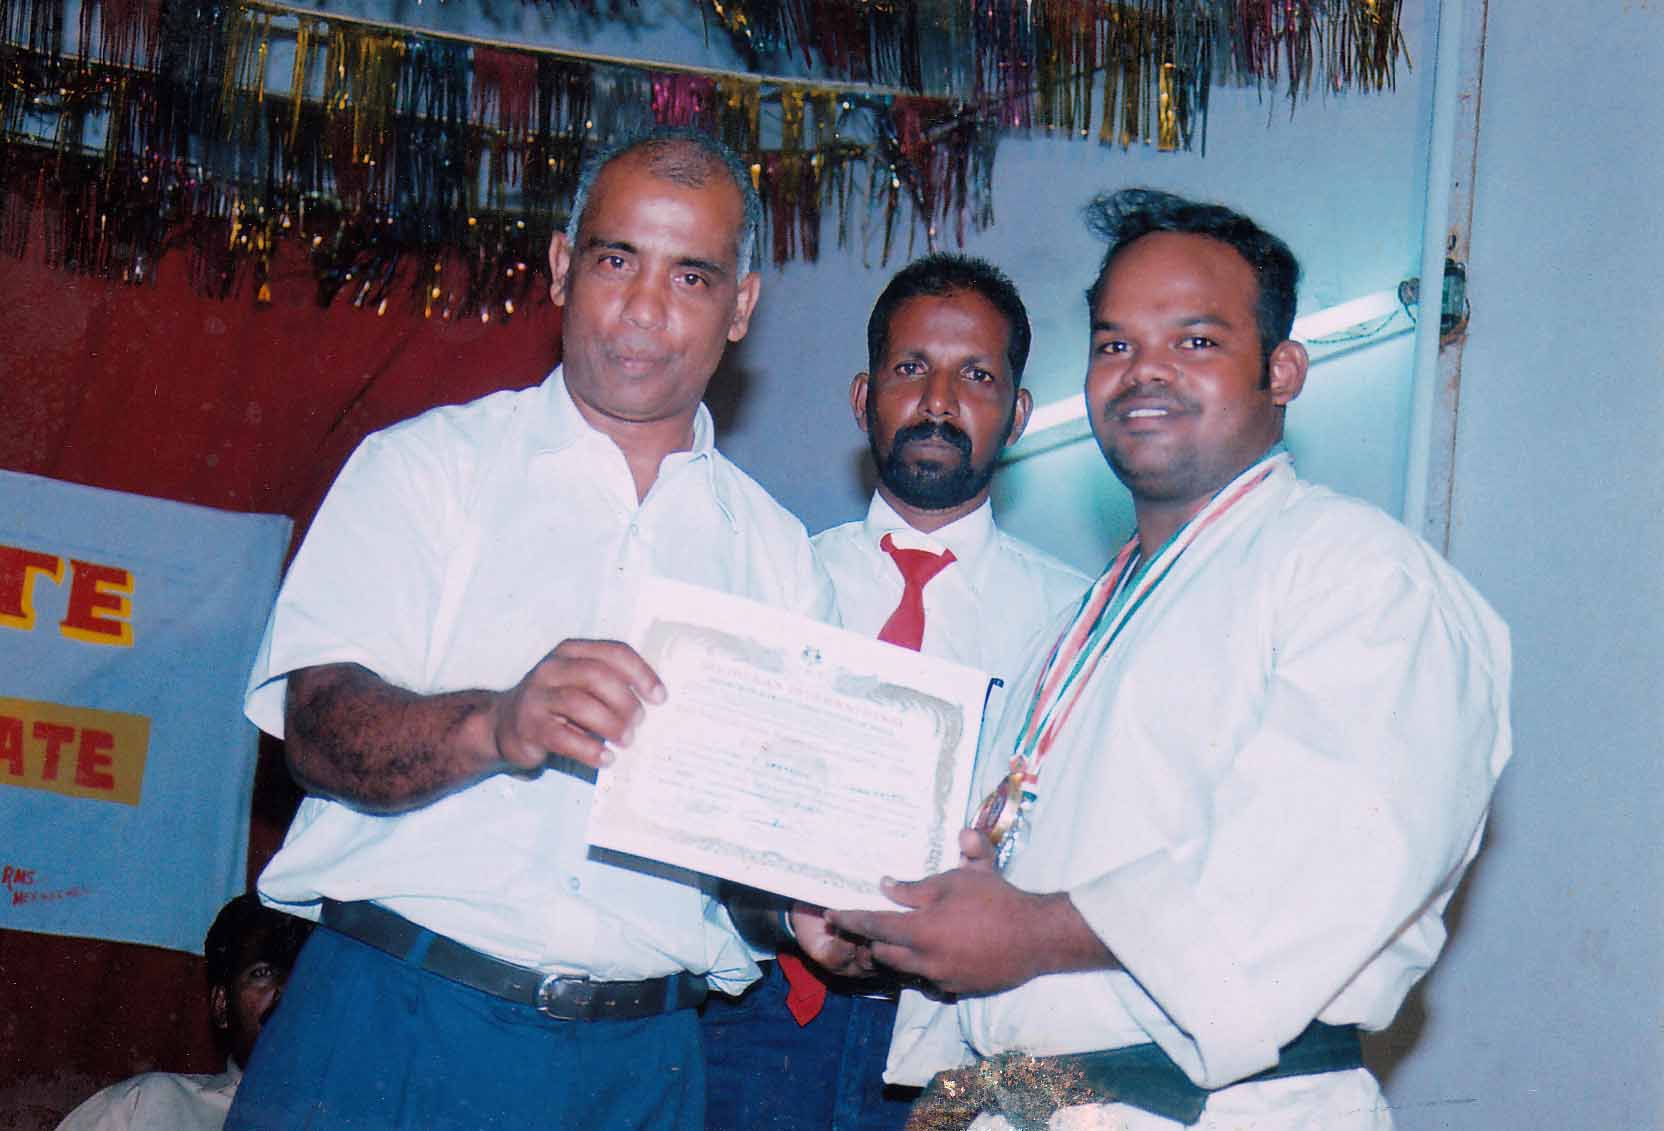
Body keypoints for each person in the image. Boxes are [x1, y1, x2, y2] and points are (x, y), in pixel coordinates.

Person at [825, 189, 1514, 1130]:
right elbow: (1018, 861)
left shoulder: (1363, 578)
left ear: (1282, 369)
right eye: (1116, 344)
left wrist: (1027, 932)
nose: (1144, 371)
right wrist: (901, 927)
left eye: (1195, 340)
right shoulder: (1078, 622)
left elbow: (1306, 871)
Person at [226, 127, 835, 1131]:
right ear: (560, 267)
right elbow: (318, 730)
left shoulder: (781, 557)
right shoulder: (426, 468)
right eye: (615, 260)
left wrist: (813, 910)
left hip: (643, 1067)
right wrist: (497, 723)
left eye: (691, 277)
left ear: (741, 307)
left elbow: (758, 862)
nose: (644, 309)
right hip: (391, 1024)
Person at [702, 254, 1090, 1131]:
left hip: (966, 1046)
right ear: (862, 397)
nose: (938, 401)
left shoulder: (1071, 623)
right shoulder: (773, 578)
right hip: (764, 1020)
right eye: (911, 367)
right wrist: (782, 910)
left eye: (976, 375)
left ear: (1018, 413)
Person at [56, 895, 312, 1131]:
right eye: (263, 973)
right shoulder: (143, 1106)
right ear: (222, 1005)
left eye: (307, 973)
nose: (288, 991)